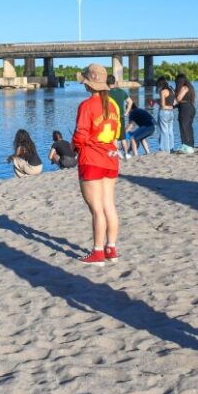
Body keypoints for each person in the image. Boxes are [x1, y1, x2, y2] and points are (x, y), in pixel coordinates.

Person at [73, 63, 122, 265]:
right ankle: (111, 247)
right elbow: (116, 133)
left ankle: (98, 251)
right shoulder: (112, 105)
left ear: (88, 84)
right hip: (110, 157)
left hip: (91, 158)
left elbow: (81, 135)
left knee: (97, 209)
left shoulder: (86, 105)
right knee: (109, 205)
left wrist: (73, 147)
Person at [107, 74, 133, 159]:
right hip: (121, 117)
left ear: (107, 83)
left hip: (111, 118)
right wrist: (126, 112)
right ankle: (126, 154)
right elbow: (130, 102)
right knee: (123, 137)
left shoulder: (106, 93)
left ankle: (117, 153)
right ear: (114, 82)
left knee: (114, 137)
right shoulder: (122, 91)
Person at [174, 73, 196, 153]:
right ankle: (190, 145)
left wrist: (174, 95)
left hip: (185, 109)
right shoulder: (190, 87)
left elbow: (179, 99)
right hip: (190, 107)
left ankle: (187, 146)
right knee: (188, 127)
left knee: (184, 127)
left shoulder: (184, 88)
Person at [155, 76, 175, 153]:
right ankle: (171, 148)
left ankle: (165, 150)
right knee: (170, 131)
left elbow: (163, 105)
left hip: (164, 112)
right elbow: (173, 102)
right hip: (171, 112)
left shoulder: (162, 91)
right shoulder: (172, 90)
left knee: (164, 131)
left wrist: (155, 101)